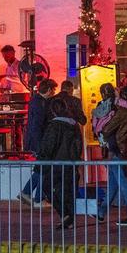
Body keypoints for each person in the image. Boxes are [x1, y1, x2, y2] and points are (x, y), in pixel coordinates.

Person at [96, 85, 127, 226]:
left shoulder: (122, 112)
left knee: (123, 182)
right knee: (113, 183)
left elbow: (107, 129)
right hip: (126, 149)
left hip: (117, 150)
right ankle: (101, 212)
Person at [39, 97, 84, 229]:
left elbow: (48, 146)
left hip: (57, 163)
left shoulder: (54, 126)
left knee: (48, 187)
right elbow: (78, 144)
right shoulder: (73, 125)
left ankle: (65, 215)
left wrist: (42, 161)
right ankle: (68, 218)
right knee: (68, 191)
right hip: (71, 162)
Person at [19, 78, 57, 206]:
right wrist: (41, 145)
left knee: (41, 168)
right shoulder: (40, 103)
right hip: (39, 142)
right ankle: (38, 197)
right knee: (43, 169)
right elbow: (37, 125)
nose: (54, 93)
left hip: (36, 141)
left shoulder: (37, 101)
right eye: (53, 90)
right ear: (49, 90)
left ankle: (28, 193)